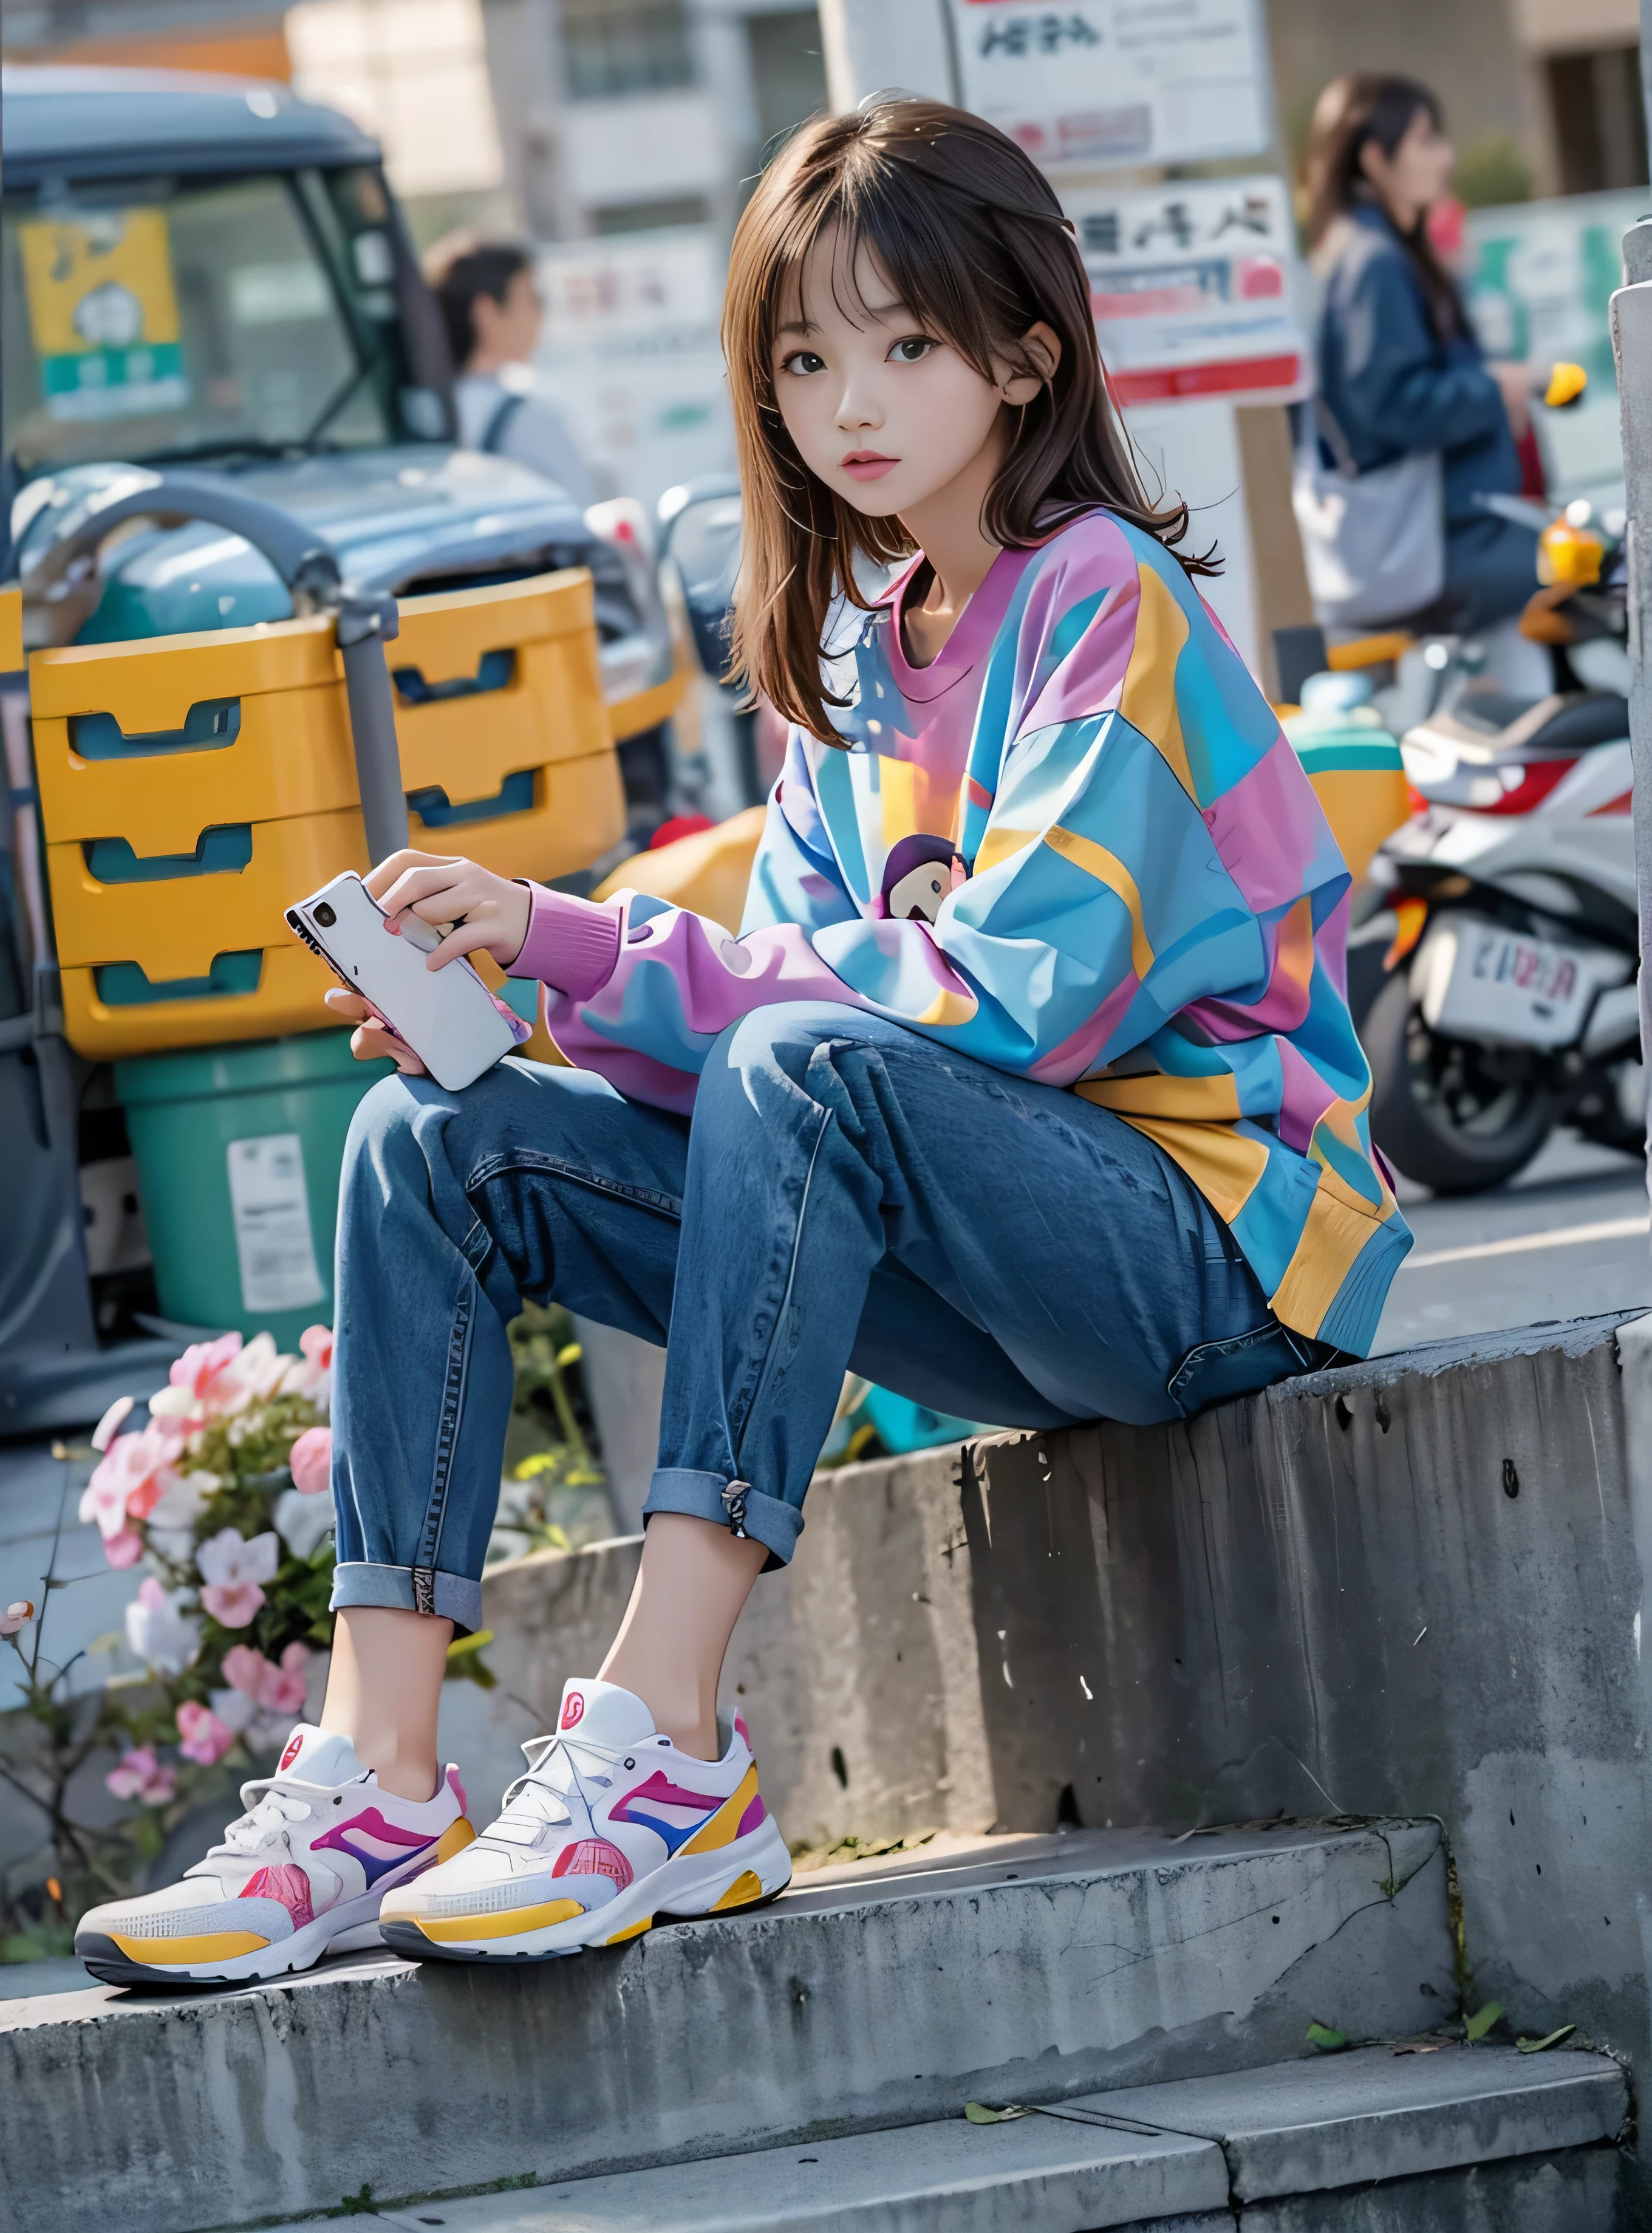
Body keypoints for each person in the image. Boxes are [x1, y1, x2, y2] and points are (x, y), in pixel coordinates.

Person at [77, 98, 1411, 1986]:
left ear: (1025, 355)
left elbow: (999, 999)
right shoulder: (862, 650)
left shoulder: (1110, 603)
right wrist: (515, 993)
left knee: (810, 1060)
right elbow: (775, 1011)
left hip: (1213, 1250)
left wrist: (578, 936)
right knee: (433, 1139)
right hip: (993, 1247)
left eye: (904, 344)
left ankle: (668, 1746)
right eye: (803, 354)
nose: (848, 400)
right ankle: (375, 1778)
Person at [1306, 72, 1539, 630]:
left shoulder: (1371, 254)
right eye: (1426, 140)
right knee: (1610, 572)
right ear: (1375, 160)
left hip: (1449, 534)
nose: (1446, 157)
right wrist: (1499, 386)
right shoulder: (1376, 263)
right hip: (1442, 545)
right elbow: (1396, 407)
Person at [426, 232, 599, 507]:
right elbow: (582, 516)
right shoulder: (531, 420)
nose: (540, 314)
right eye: (532, 298)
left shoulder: (419, 417)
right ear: (487, 312)